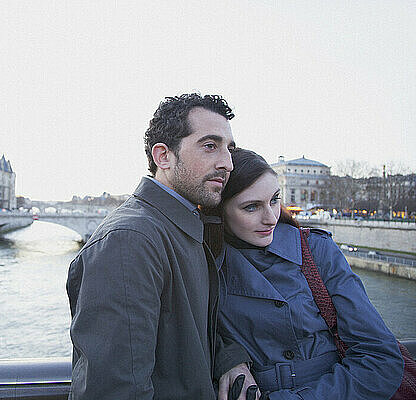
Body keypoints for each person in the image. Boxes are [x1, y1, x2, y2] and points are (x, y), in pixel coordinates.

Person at [67, 94, 259, 399]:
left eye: (229, 149)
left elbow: (186, 332)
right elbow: (116, 391)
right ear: (163, 157)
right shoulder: (130, 241)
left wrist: (228, 359)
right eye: (210, 146)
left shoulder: (180, 226)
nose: (228, 164)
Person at [211, 148, 404, 399]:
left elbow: (380, 357)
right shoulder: (204, 261)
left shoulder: (315, 250)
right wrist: (228, 357)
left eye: (274, 199)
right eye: (251, 207)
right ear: (220, 212)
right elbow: (194, 333)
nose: (271, 218)